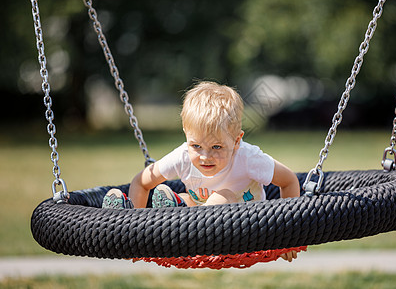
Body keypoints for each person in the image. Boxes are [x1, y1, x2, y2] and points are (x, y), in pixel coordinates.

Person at [102, 81, 301, 262]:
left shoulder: (249, 158)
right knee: (181, 199)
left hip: (248, 229)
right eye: (196, 146)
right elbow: (141, 182)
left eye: (216, 147)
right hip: (196, 223)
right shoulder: (182, 156)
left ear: (237, 141)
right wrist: (136, 231)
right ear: (186, 135)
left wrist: (288, 235)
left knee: (223, 196)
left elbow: (289, 181)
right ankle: (129, 223)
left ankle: (177, 220)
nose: (205, 156)